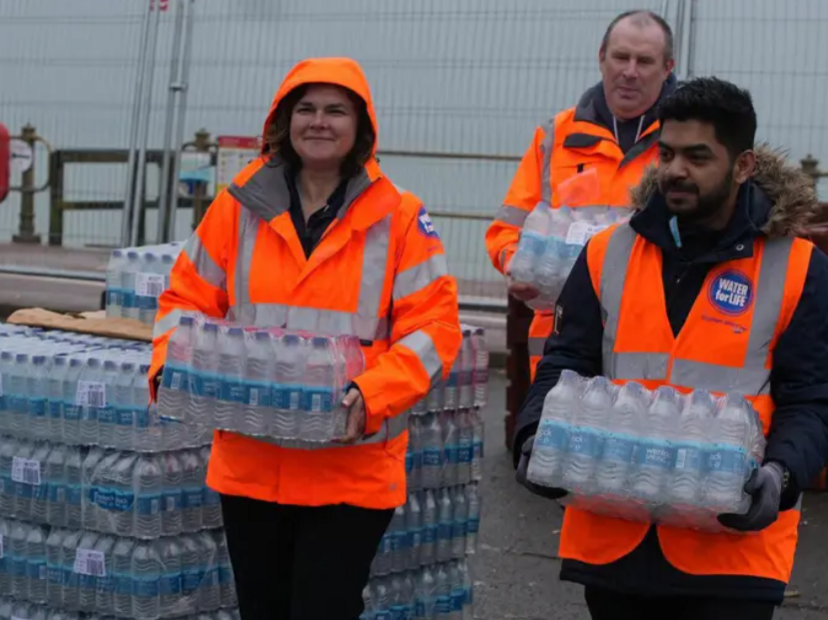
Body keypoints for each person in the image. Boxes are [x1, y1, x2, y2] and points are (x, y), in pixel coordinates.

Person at [147, 57, 462, 620]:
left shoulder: (402, 218)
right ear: (283, 121)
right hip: (251, 464)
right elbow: (183, 300)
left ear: (361, 127)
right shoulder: (236, 207)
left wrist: (373, 394)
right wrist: (171, 367)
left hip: (349, 468)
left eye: (335, 110)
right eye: (306, 109)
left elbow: (434, 329)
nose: (319, 122)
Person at [513, 76, 828, 619]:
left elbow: (812, 399)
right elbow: (566, 363)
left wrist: (782, 474)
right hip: (614, 531)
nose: (675, 170)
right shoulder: (607, 253)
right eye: (667, 153)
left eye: (698, 156)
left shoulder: (797, 267)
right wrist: (533, 432)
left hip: (731, 549)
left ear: (744, 165)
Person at [485, 9, 678, 387]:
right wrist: (517, 267)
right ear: (601, 57)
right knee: (552, 441)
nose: (630, 71)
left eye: (645, 61)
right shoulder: (556, 136)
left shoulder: (685, 141)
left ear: (668, 67)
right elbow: (507, 228)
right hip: (561, 337)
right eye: (621, 57)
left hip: (652, 342)